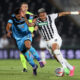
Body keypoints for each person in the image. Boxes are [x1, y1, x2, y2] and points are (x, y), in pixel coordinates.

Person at [25, 8, 80, 76]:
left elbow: (63, 13)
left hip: (55, 39)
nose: (43, 17)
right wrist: (26, 19)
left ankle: (65, 68)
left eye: (44, 15)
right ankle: (71, 68)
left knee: (55, 49)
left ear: (46, 13)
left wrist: (76, 13)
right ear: (39, 16)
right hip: (47, 43)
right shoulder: (37, 21)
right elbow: (31, 25)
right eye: (41, 15)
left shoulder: (51, 16)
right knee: (57, 58)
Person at [6, 8, 43, 75]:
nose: (20, 17)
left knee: (28, 45)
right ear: (15, 15)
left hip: (26, 34)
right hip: (18, 39)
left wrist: (34, 22)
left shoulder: (26, 16)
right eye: (18, 16)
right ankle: (34, 66)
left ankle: (39, 60)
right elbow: (8, 26)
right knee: (26, 56)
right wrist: (8, 32)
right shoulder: (12, 19)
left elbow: (35, 17)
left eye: (21, 16)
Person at [19, 2, 44, 72]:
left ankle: (37, 61)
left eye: (26, 7)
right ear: (21, 8)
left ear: (28, 8)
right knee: (23, 52)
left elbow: (36, 24)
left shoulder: (31, 15)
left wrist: (33, 32)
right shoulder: (18, 15)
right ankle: (26, 67)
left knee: (27, 48)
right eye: (23, 7)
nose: (25, 8)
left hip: (28, 34)